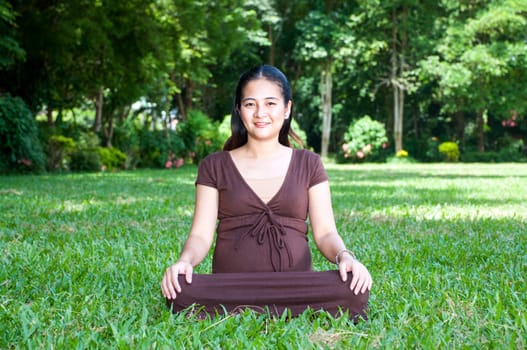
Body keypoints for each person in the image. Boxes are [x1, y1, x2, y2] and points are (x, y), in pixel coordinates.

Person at [161, 65, 372, 321]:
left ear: (287, 109)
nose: (260, 113)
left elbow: (326, 232)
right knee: (179, 290)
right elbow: (200, 235)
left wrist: (345, 257)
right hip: (232, 287)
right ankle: (274, 310)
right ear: (239, 110)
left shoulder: (309, 163)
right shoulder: (214, 166)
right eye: (250, 104)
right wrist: (185, 262)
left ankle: (255, 310)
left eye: (270, 103)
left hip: (296, 287)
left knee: (353, 287)